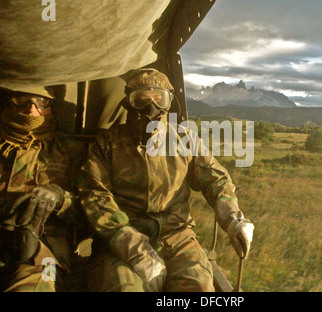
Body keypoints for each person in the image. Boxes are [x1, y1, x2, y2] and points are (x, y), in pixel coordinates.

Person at [78, 68, 254, 292]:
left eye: (158, 98)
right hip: (123, 239)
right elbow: (95, 196)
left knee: (198, 287)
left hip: (178, 236)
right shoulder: (106, 144)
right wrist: (132, 247)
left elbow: (215, 179)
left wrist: (233, 220)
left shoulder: (185, 139)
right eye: (141, 98)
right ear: (129, 102)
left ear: (168, 102)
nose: (150, 105)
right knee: (123, 288)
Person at [0, 85, 86, 292]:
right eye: (22, 100)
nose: (31, 110)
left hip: (45, 252)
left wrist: (59, 198)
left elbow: (91, 208)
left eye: (41, 102)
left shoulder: (71, 150)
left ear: (51, 108)